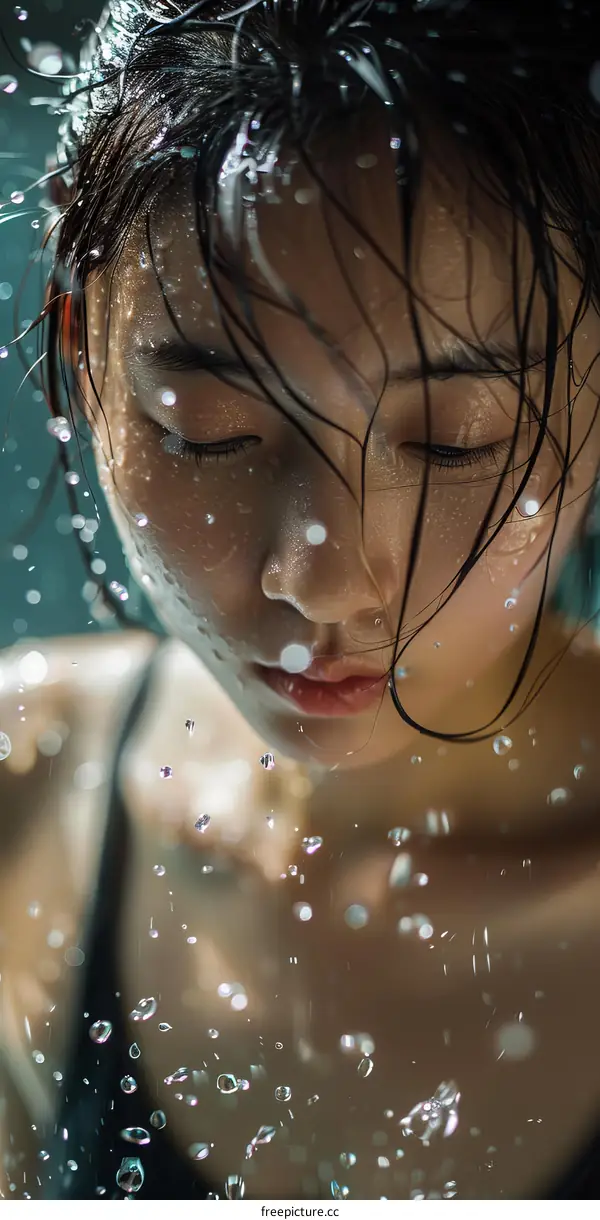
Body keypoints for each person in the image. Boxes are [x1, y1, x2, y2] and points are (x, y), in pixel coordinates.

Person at [2, 0, 600, 1200]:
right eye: (207, 432)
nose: (320, 577)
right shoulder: (25, 801)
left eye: (452, 441)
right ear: (79, 351)